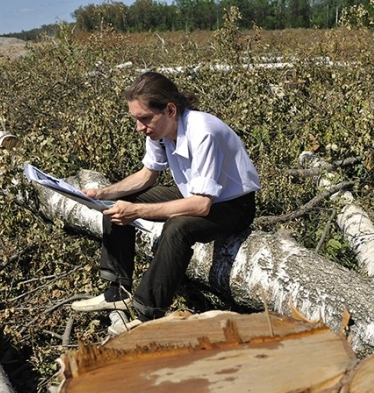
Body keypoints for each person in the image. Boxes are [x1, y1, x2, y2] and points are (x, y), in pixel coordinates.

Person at [71, 71, 260, 328]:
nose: (139, 127)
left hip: (233, 205)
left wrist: (137, 211)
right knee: (119, 201)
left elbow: (201, 205)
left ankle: (147, 314)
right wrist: (101, 194)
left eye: (144, 118)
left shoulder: (202, 131)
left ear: (170, 110)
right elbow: (147, 176)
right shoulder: (159, 131)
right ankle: (116, 292)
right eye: (136, 120)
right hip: (193, 195)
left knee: (178, 227)